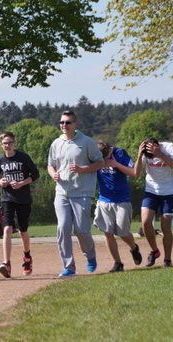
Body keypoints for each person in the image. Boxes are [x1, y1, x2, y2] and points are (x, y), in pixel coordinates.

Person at [47, 110, 105, 278]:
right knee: (63, 227)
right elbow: (50, 165)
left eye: (68, 122)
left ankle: (90, 255)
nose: (64, 125)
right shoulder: (56, 143)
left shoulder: (86, 142)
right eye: (61, 122)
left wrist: (82, 169)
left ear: (75, 124)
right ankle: (68, 267)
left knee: (81, 231)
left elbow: (100, 163)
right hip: (61, 192)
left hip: (82, 192)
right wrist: (53, 174)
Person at [0, 131, 40, 278]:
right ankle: (6, 263)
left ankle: (27, 258)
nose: (7, 145)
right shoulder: (0, 160)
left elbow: (35, 175)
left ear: (14, 143)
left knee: (22, 231)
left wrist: (21, 183)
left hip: (23, 199)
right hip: (7, 198)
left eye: (10, 143)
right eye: (5, 143)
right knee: (7, 228)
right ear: (1, 145)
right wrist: (0, 182)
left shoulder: (23, 157)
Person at [93, 141, 143, 272]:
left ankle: (134, 248)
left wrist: (116, 164)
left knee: (123, 233)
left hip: (122, 200)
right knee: (108, 233)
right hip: (104, 199)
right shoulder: (95, 157)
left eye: (106, 157)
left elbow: (134, 173)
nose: (104, 161)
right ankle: (118, 263)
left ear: (110, 150)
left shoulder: (121, 155)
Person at [134, 137, 173, 268]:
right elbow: (136, 173)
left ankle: (167, 260)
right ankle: (154, 251)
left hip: (169, 191)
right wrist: (139, 156)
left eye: (152, 154)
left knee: (165, 227)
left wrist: (160, 154)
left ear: (157, 146)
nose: (152, 157)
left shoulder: (169, 147)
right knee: (145, 222)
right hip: (151, 191)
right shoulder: (145, 152)